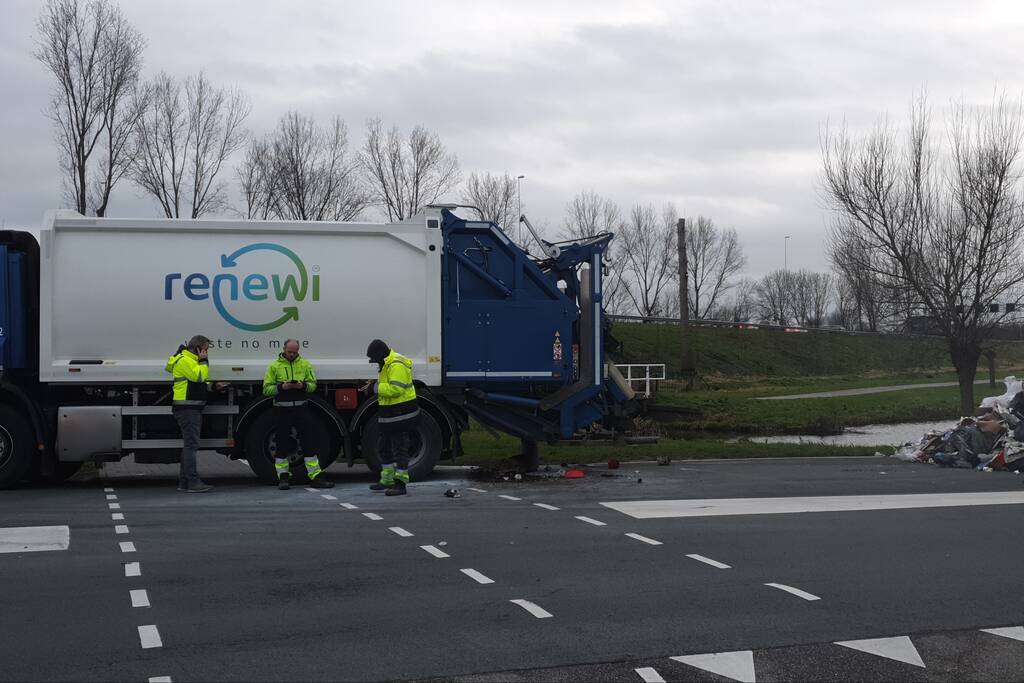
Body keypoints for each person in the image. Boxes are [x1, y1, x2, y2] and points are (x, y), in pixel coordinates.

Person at [263, 339, 334, 490]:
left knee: (309, 443)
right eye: (289, 352)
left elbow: (313, 385)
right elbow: (266, 389)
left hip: (301, 409)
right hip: (282, 411)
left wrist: (303, 385)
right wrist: (282, 387)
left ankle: (315, 477)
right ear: (284, 349)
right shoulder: (274, 366)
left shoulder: (305, 364)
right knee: (282, 444)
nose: (292, 355)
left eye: (295, 352)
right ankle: (283, 477)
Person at [166, 335, 224, 493]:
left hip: (189, 407)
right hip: (187, 408)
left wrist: (213, 387)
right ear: (198, 348)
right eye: (205, 349)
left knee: (189, 445)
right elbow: (199, 377)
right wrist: (204, 361)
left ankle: (184, 482)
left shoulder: (189, 360)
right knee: (191, 445)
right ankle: (192, 481)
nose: (207, 352)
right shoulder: (185, 360)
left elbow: (198, 383)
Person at [360, 339, 418, 496]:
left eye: (373, 358)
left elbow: (396, 389)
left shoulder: (396, 364)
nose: (373, 362)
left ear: (380, 354)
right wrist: (375, 382)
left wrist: (374, 387)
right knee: (383, 446)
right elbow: (389, 383)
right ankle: (387, 480)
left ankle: (400, 484)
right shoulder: (387, 363)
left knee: (400, 448)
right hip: (390, 414)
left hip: (401, 413)